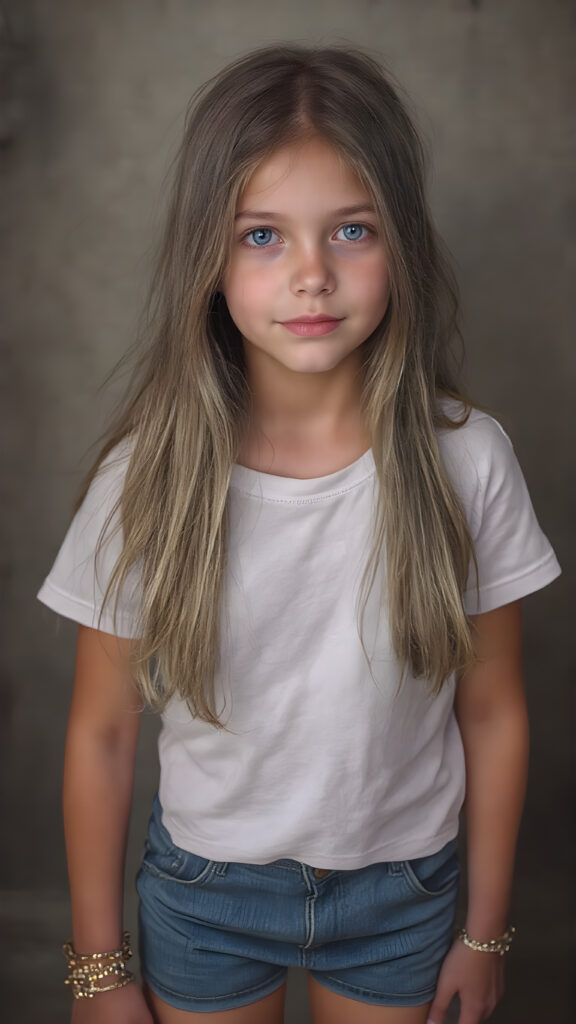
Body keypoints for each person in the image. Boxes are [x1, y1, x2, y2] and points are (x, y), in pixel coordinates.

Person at [38, 45, 560, 1024]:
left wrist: (482, 934)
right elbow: (102, 734)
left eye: (351, 230)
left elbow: (491, 713)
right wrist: (99, 970)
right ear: (208, 256)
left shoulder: (468, 460)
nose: (312, 274)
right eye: (263, 236)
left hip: (401, 896)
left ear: (401, 240)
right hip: (206, 894)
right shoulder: (146, 476)